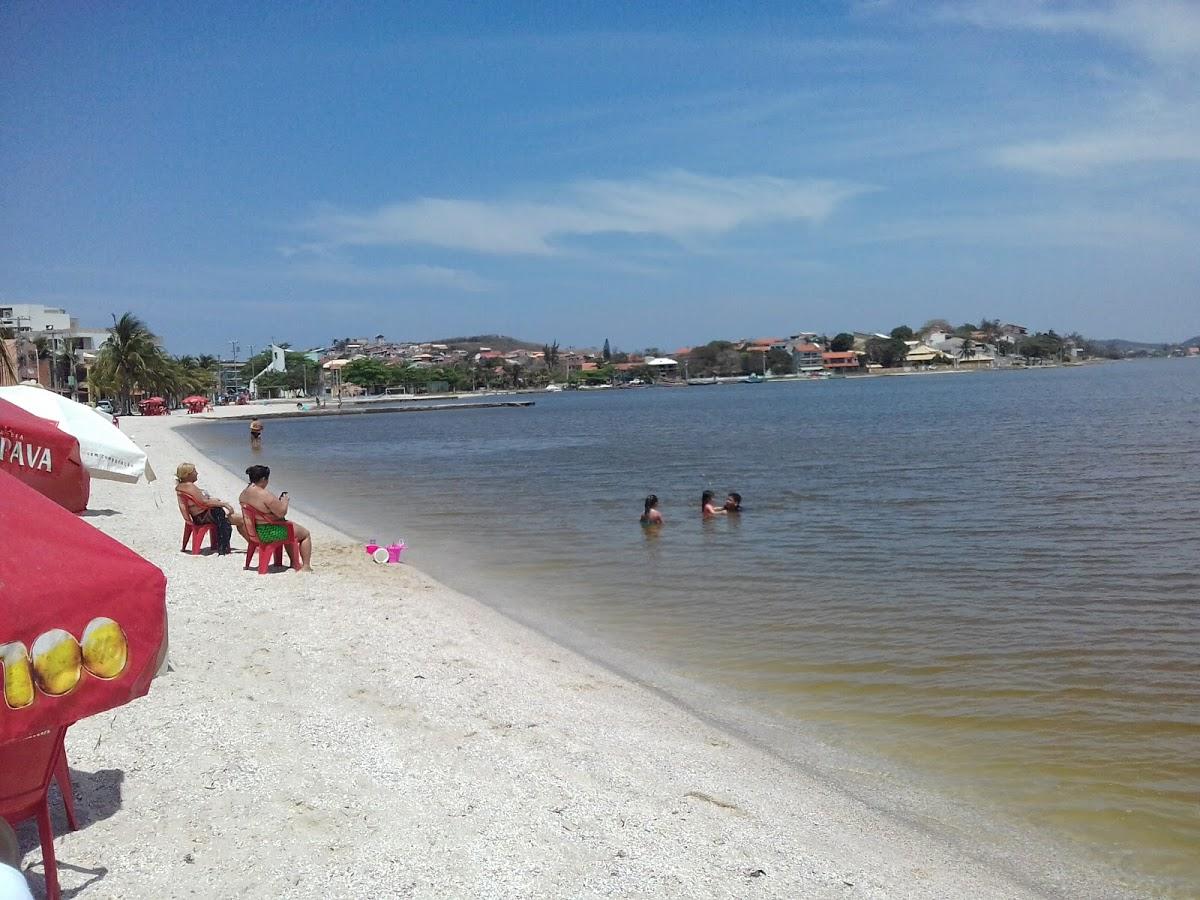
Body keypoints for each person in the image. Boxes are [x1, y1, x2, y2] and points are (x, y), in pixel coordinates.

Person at [239, 464, 313, 571]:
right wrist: (285, 501)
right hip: (270, 533)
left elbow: (262, 511)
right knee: (305, 534)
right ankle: (306, 566)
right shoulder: (264, 494)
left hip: (256, 532)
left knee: (287, 526)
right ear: (264, 479)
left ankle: (293, 562)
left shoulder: (243, 494)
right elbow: (281, 513)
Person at [175, 462, 244, 553]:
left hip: (199, 516)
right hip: (204, 517)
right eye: (194, 471)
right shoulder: (190, 486)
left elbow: (190, 504)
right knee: (241, 520)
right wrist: (224, 504)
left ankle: (253, 545)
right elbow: (204, 502)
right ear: (187, 474)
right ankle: (254, 544)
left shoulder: (180, 487)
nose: (197, 473)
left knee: (238, 518)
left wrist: (188, 519)